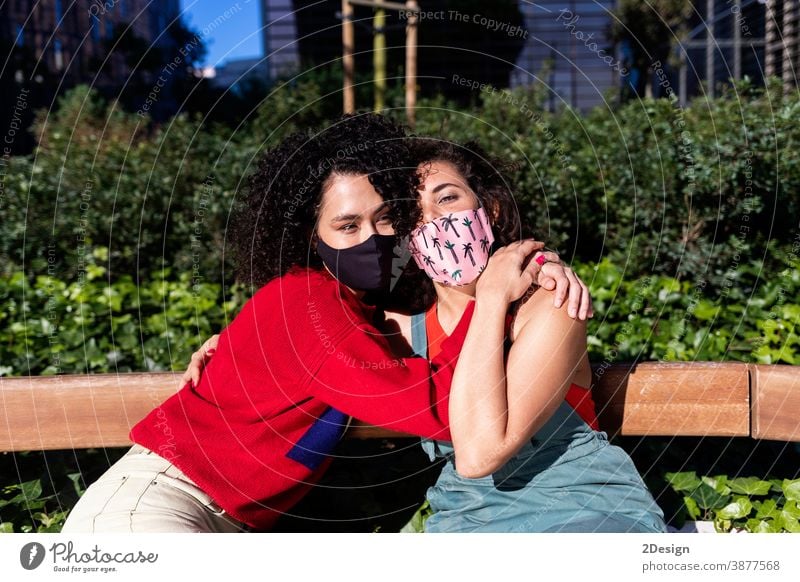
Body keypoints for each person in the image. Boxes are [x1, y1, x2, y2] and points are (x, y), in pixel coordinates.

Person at [61, 114, 586, 533]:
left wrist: (531, 270)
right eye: (347, 225)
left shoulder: (357, 316)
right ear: (312, 239)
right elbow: (441, 411)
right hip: (158, 507)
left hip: (230, 524)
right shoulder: (305, 305)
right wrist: (493, 294)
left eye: (387, 219)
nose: (373, 238)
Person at [186, 136, 666, 533]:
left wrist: (504, 289)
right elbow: (304, 334)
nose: (434, 221)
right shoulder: (398, 331)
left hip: (586, 518)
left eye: (448, 198)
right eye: (413, 213)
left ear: (491, 209)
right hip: (465, 528)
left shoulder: (549, 305)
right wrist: (226, 344)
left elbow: (480, 453)